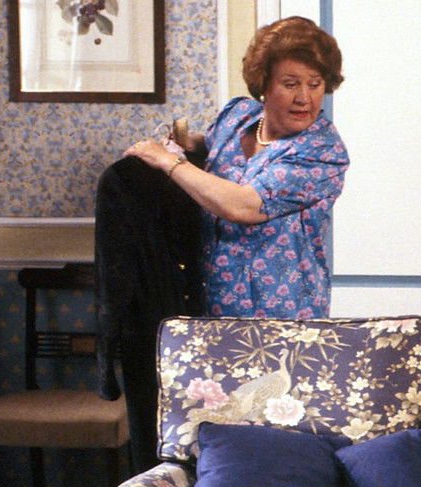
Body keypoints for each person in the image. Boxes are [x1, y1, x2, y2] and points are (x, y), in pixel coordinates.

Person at [122, 15, 349, 319]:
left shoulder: (322, 151)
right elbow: (217, 145)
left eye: (315, 84)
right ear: (264, 83)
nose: (304, 98)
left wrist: (168, 161)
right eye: (290, 84)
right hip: (211, 305)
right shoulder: (238, 115)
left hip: (284, 317)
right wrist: (189, 143)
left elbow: (243, 206)